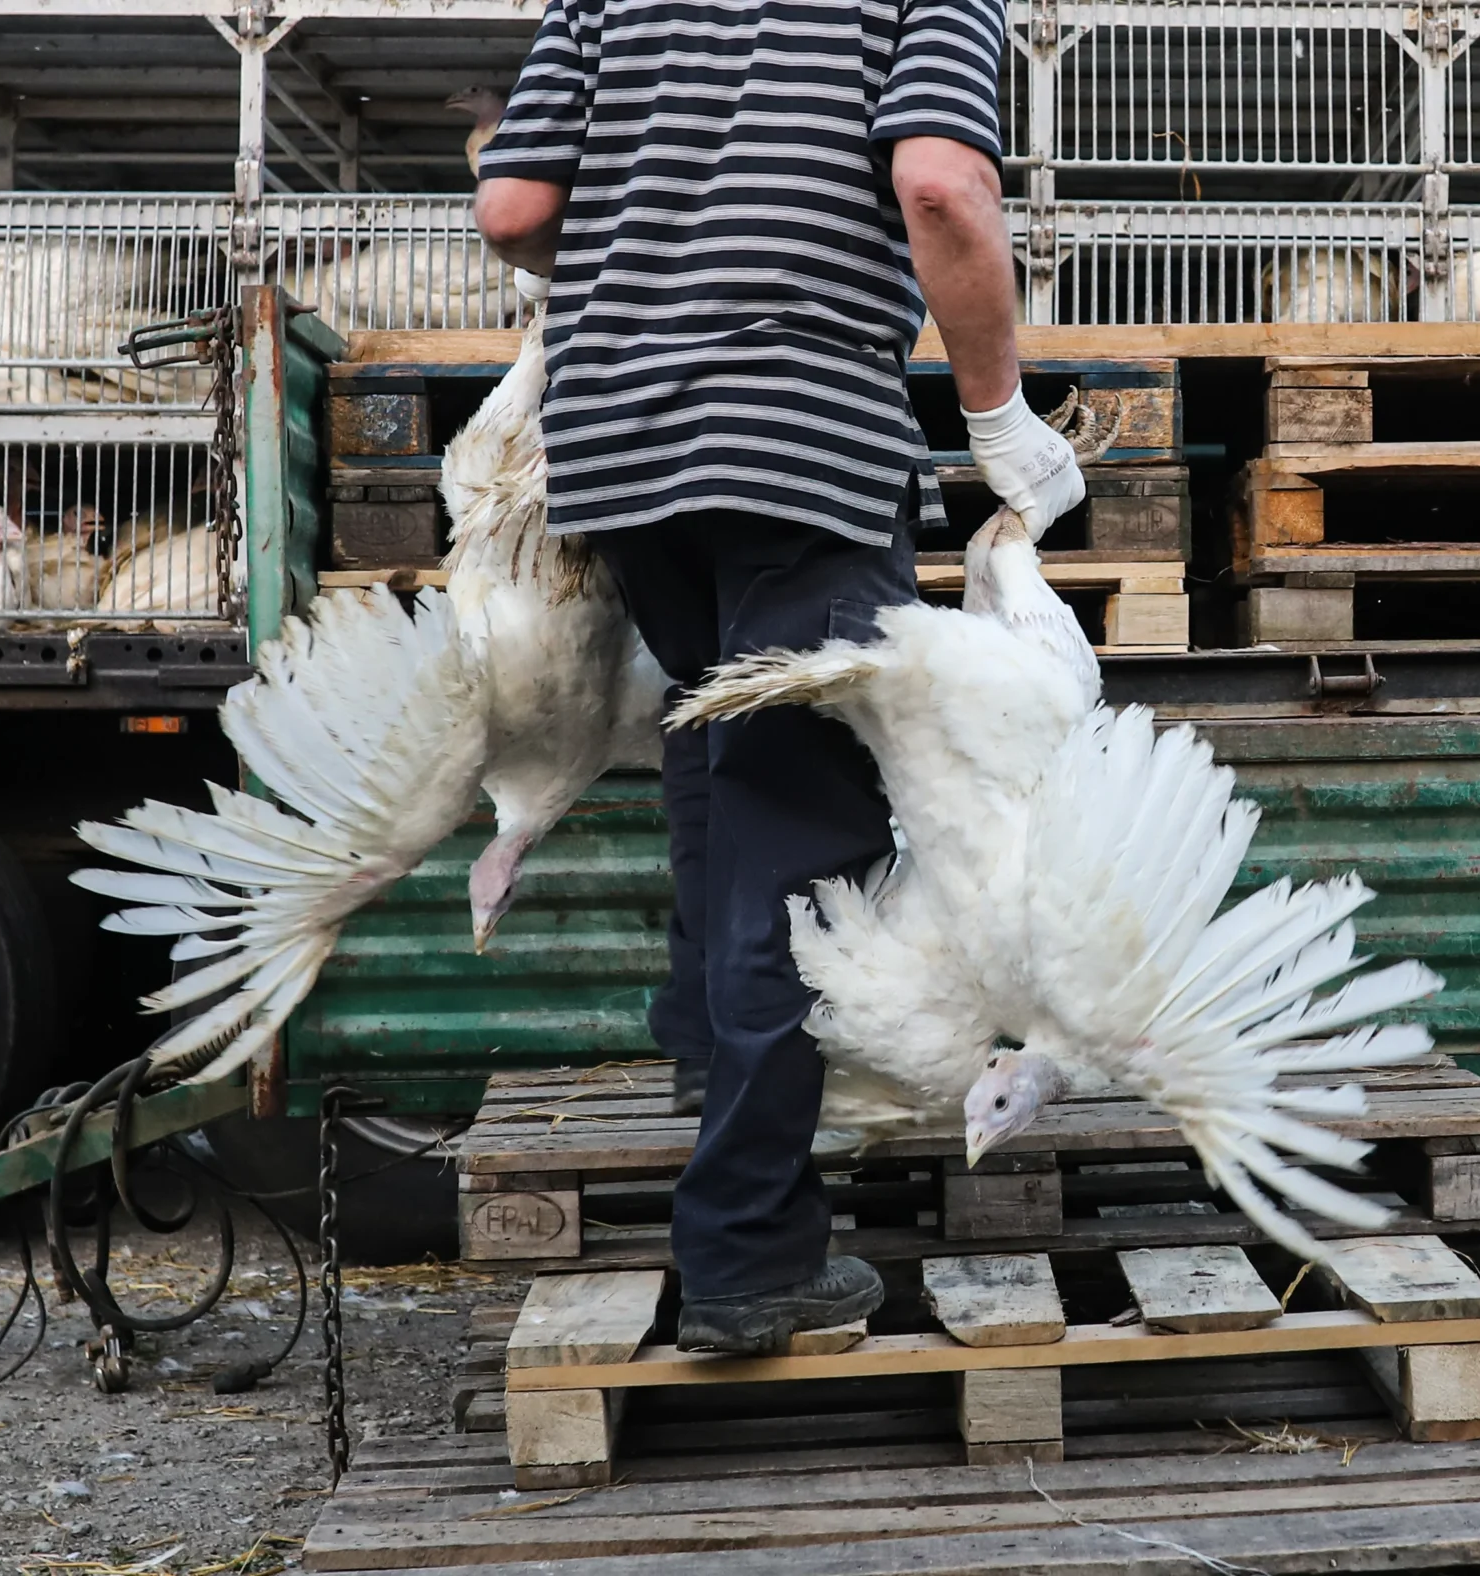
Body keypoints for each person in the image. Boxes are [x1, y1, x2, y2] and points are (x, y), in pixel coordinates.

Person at [474, 0, 1087, 1356]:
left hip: (619, 443)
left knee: (714, 749)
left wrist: (657, 282)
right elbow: (940, 183)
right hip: (798, 436)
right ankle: (750, 1255)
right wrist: (995, 412)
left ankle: (713, 1068)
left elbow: (514, 209)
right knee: (802, 836)